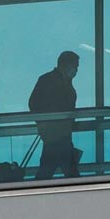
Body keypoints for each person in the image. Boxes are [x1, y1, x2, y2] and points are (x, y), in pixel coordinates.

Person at [29, 51, 82, 179]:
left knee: (47, 170)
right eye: (75, 66)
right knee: (69, 173)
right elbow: (34, 104)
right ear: (66, 65)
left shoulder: (57, 80)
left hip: (56, 135)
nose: (76, 71)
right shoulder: (51, 80)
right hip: (57, 135)